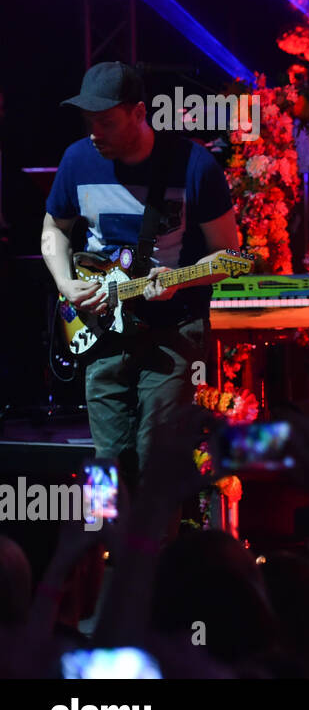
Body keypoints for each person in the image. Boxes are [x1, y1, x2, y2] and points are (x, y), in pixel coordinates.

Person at [40, 62, 239, 481]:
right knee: (107, 463)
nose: (95, 133)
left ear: (139, 113)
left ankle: (155, 546)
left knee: (156, 462)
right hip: (99, 327)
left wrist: (176, 281)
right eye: (89, 122)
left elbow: (228, 256)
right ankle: (105, 544)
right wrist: (65, 283)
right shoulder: (77, 160)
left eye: (107, 122)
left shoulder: (194, 165)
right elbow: (54, 230)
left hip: (172, 332)